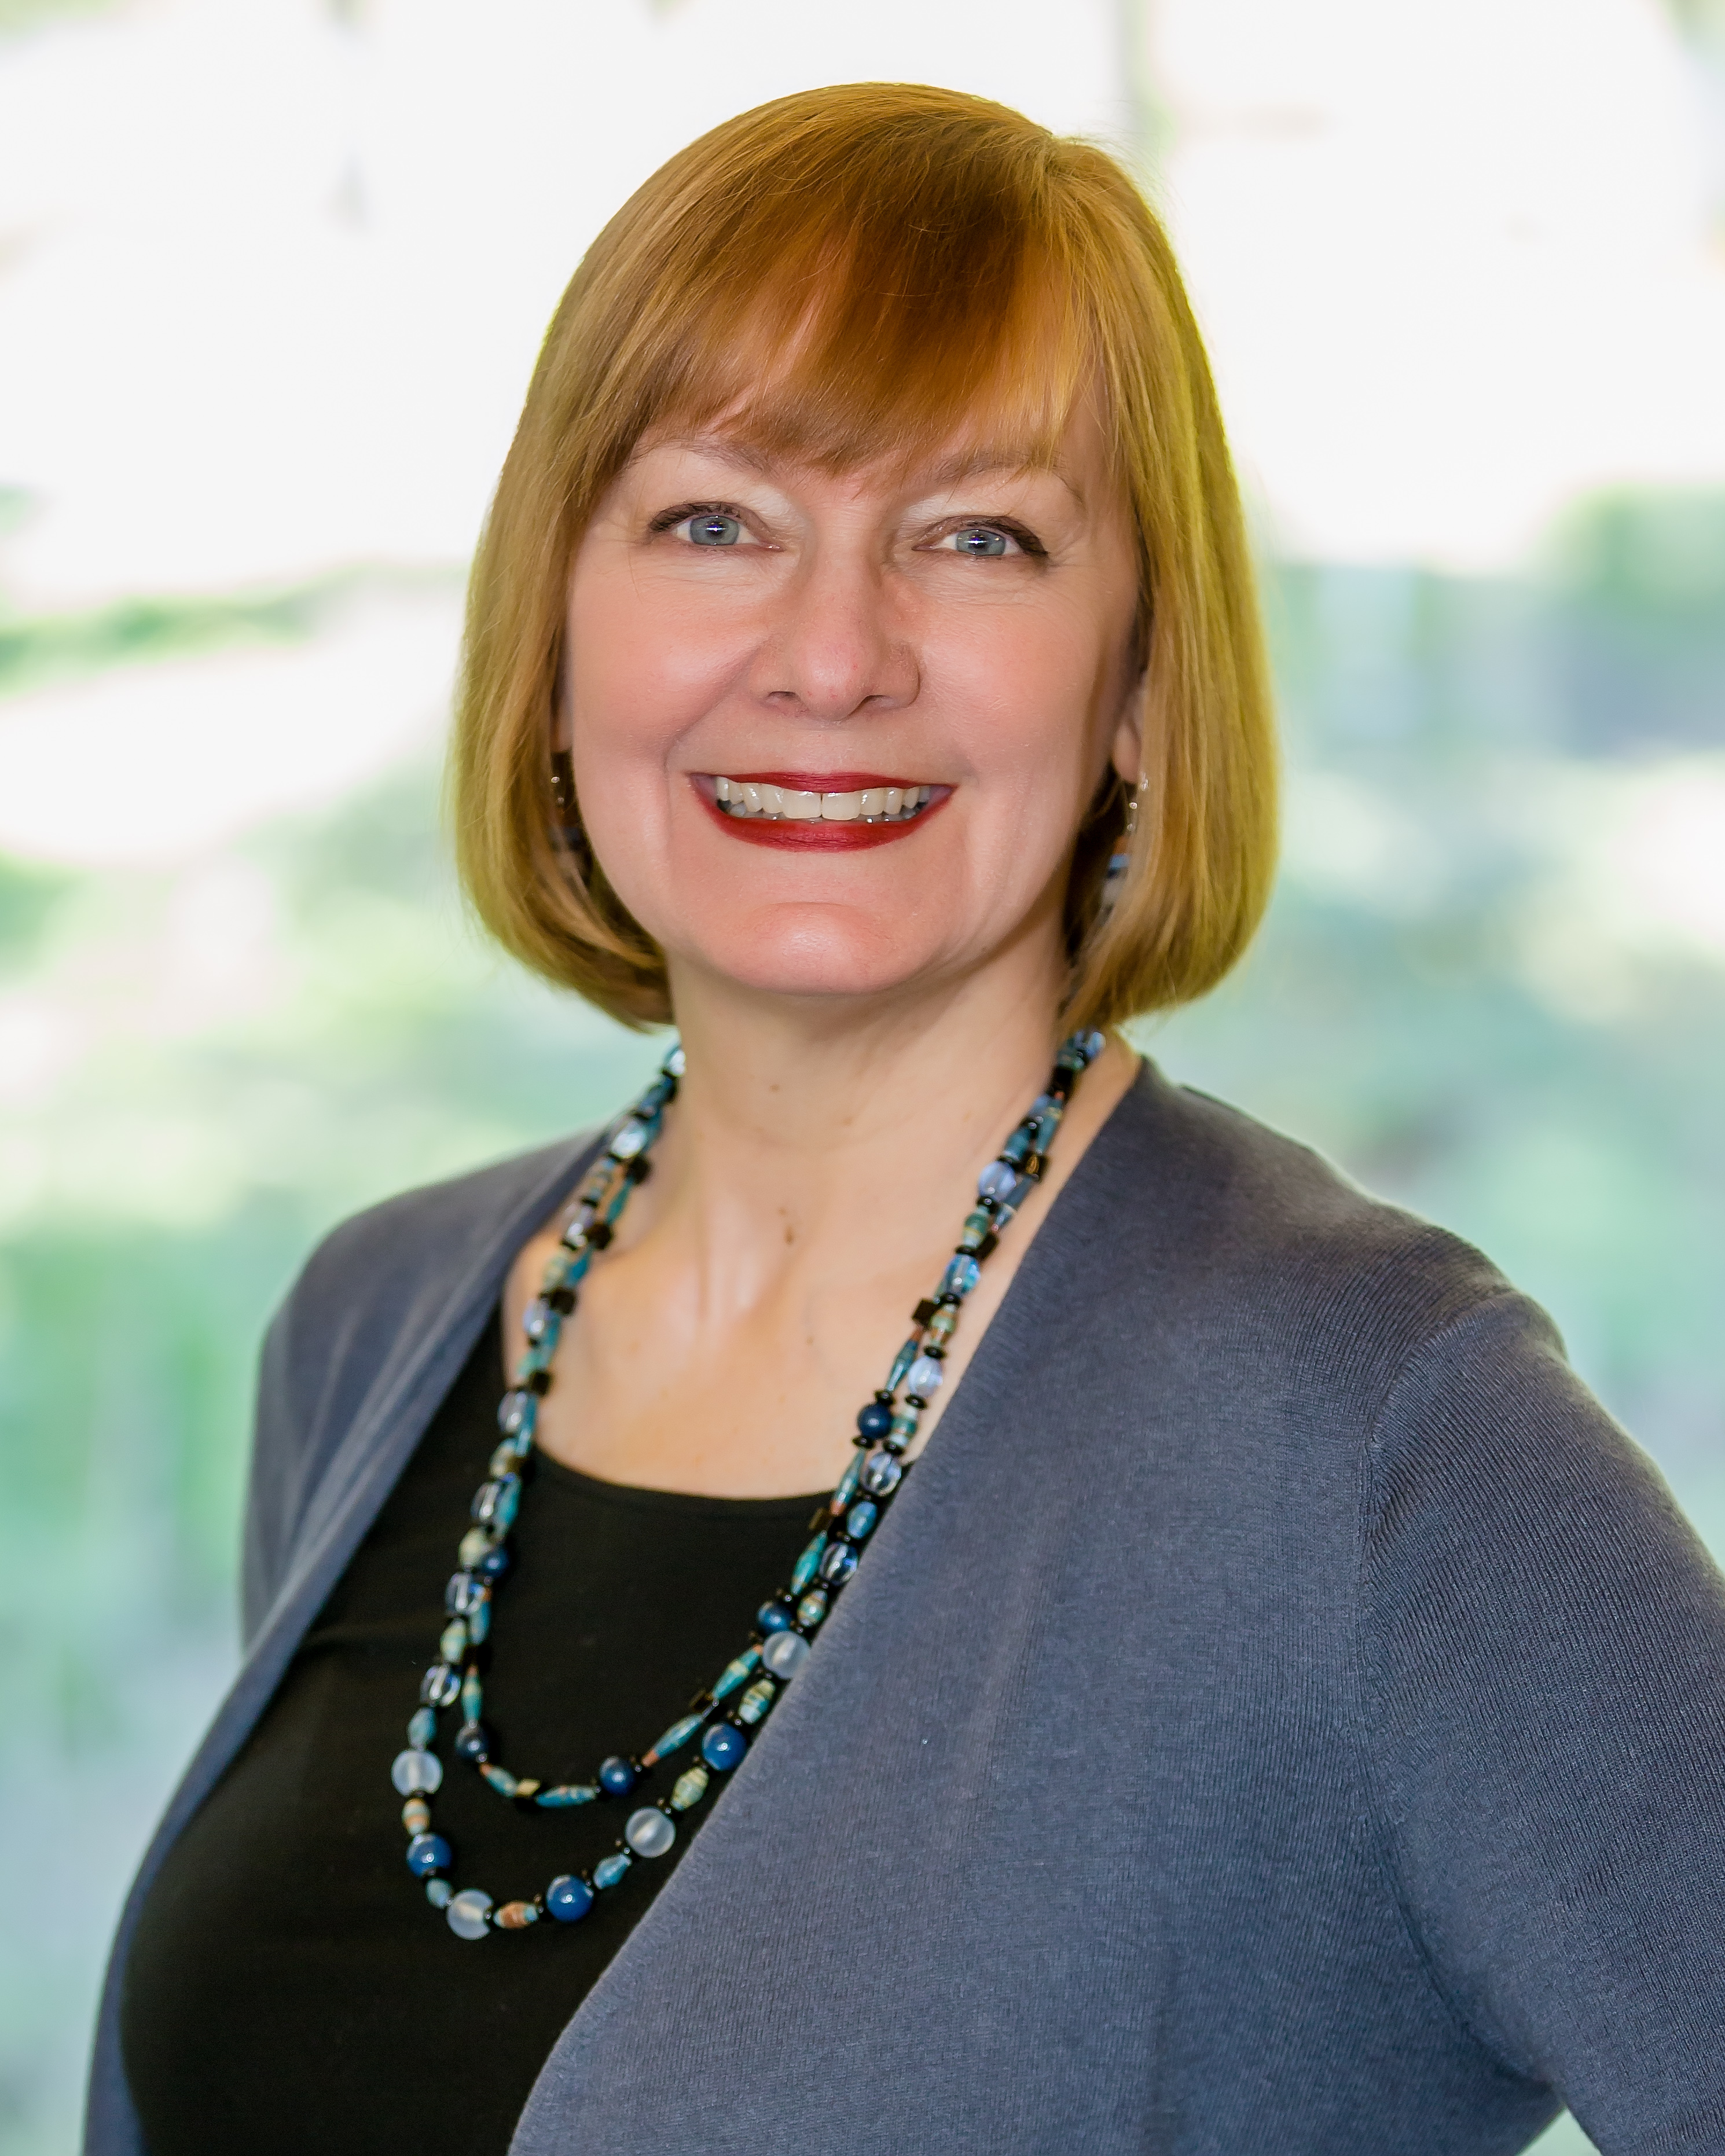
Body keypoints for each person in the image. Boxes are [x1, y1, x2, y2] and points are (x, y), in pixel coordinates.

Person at [89, 82, 1725, 2156]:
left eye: (977, 539)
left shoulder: (1374, 1431)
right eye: (712, 522)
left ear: (1135, 681)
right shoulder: (380, 1327)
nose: (834, 655)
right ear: (557, 629)